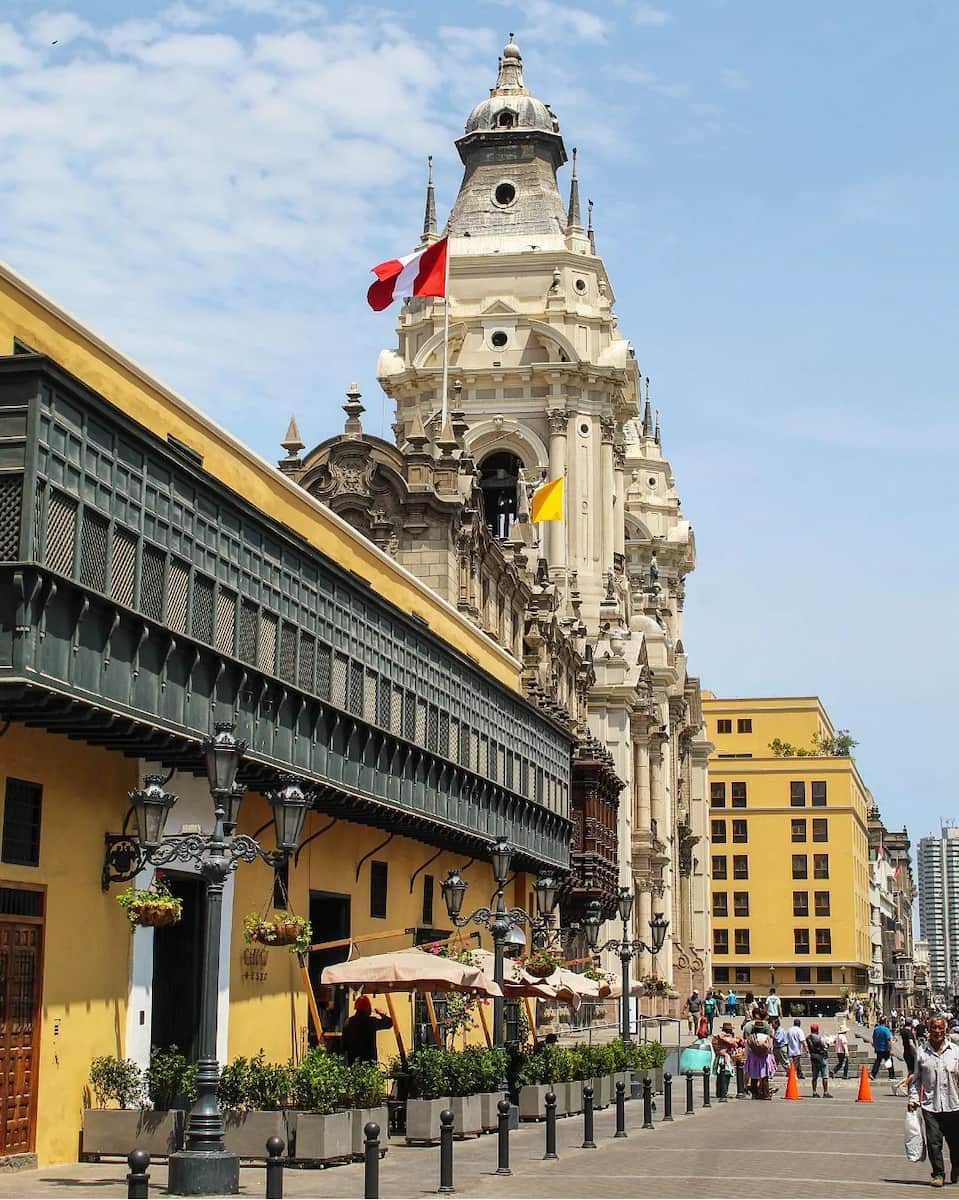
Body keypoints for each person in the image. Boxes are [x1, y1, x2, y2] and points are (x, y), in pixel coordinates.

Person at [908, 1015, 959, 1187]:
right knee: (933, 1142)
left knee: (956, 1143)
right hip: (930, 1105)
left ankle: (956, 1166)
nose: (937, 1031)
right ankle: (938, 1174)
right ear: (928, 1031)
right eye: (934, 1028)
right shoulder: (922, 1052)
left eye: (940, 1028)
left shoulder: (955, 1051)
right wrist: (913, 1099)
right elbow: (916, 1079)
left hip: (954, 1105)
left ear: (946, 1030)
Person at [340, 995, 393, 1064]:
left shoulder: (349, 1021)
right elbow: (389, 1023)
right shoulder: (370, 1021)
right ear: (368, 1009)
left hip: (353, 1060)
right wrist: (381, 1013)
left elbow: (344, 1043)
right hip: (369, 1060)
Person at [745, 1013, 776, 1100]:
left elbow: (747, 1050)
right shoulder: (767, 1037)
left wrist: (748, 1058)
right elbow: (770, 1049)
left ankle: (754, 1094)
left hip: (753, 1058)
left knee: (754, 1076)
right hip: (764, 1058)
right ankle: (766, 1094)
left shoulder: (751, 1038)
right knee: (764, 1076)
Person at [712, 1021, 741, 1101]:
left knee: (720, 1075)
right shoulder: (723, 1036)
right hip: (724, 1057)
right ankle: (723, 1092)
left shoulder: (719, 1036)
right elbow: (732, 1042)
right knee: (726, 1075)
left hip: (720, 1057)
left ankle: (719, 1092)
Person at [807, 1022, 832, 1097]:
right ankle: (825, 1092)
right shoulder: (820, 1038)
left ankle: (814, 1092)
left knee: (814, 1077)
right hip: (822, 1057)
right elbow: (825, 1046)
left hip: (814, 1058)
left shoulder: (808, 1038)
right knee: (825, 1076)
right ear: (817, 1030)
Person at [871, 1015, 895, 1080]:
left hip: (878, 1048)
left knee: (878, 1061)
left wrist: (875, 1046)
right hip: (885, 1048)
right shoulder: (886, 1029)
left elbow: (874, 1038)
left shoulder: (876, 1029)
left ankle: (873, 1074)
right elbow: (888, 1040)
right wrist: (891, 1049)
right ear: (885, 1022)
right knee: (888, 1061)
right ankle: (891, 1075)